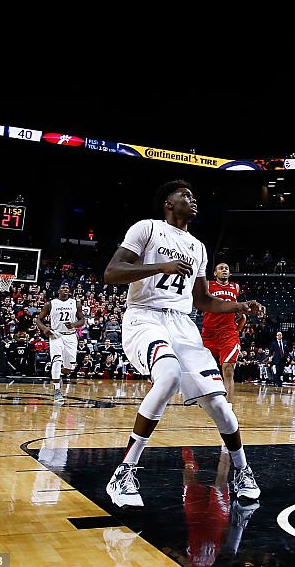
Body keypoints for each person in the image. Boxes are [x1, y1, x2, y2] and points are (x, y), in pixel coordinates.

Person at [103, 180, 264, 509]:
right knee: (169, 376)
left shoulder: (198, 247)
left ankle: (243, 471)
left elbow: (203, 300)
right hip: (145, 316)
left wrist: (239, 306)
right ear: (167, 202)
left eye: (193, 196)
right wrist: (159, 266)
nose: (193, 200)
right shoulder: (146, 229)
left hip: (182, 324)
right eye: (185, 196)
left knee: (221, 406)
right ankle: (123, 471)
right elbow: (112, 272)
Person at [201, 262, 246, 399]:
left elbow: (242, 317)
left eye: (226, 268)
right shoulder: (208, 285)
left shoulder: (235, 287)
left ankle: (228, 407)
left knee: (228, 369)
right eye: (221, 268)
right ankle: (205, 397)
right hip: (209, 334)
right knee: (202, 370)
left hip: (228, 334)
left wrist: (235, 331)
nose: (224, 270)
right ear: (215, 273)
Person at [37, 282, 85, 405]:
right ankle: (57, 389)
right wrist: (44, 329)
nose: (65, 290)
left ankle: (60, 373)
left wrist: (74, 325)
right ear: (58, 290)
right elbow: (38, 320)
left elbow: (82, 320)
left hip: (70, 337)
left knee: (70, 367)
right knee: (57, 360)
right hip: (56, 335)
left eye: (67, 288)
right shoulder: (50, 304)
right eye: (63, 287)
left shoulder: (76, 303)